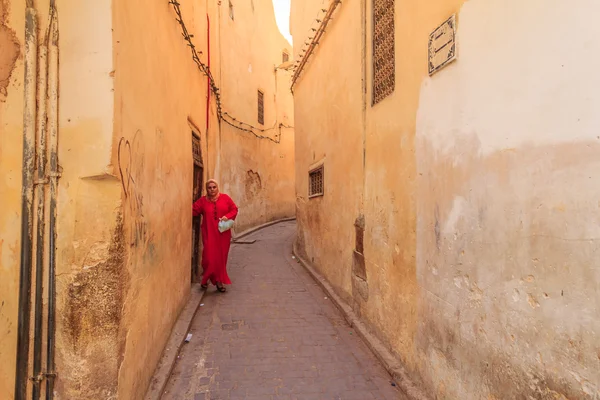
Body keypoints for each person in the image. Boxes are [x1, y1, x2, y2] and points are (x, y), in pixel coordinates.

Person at [192, 179, 238, 292]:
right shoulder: (203, 201)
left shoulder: (225, 198)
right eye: (209, 187)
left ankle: (219, 281)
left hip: (223, 235)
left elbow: (234, 209)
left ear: (217, 188)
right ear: (206, 189)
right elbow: (193, 210)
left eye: (214, 187)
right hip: (209, 234)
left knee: (221, 258)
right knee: (208, 258)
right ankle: (206, 278)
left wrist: (227, 216)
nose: (212, 189)